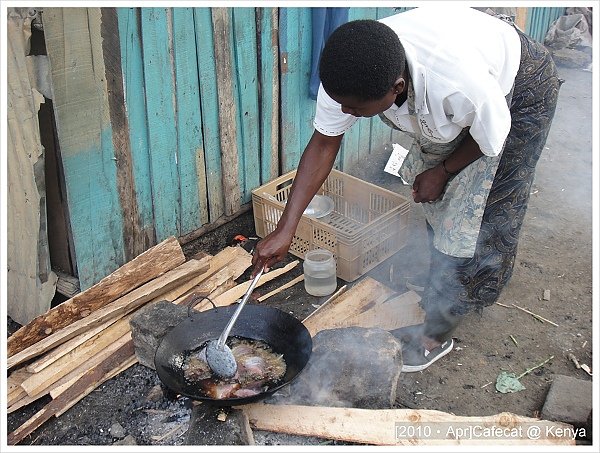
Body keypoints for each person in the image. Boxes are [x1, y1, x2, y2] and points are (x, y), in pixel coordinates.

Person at [251, 7, 561, 372]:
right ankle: (442, 278)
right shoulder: (349, 73)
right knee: (443, 207)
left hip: (521, 89)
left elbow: (492, 139)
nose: (345, 112)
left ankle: (437, 335)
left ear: (397, 88)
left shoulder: (459, 86)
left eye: (356, 109)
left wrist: (444, 171)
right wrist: (286, 229)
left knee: (480, 216)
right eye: (342, 105)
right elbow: (323, 143)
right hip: (466, 74)